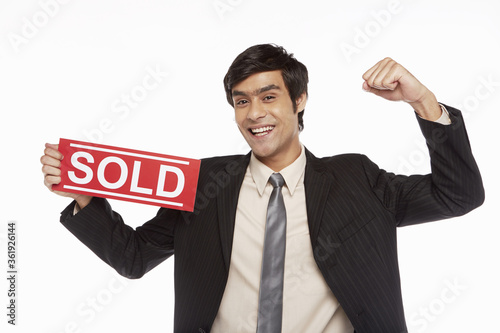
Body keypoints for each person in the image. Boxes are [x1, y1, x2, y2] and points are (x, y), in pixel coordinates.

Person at [41, 44, 484, 332]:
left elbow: (458, 195)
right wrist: (85, 195)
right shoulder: (203, 184)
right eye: (242, 101)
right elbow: (133, 257)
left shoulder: (357, 180)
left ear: (299, 100)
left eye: (268, 97)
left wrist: (423, 102)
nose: (254, 113)